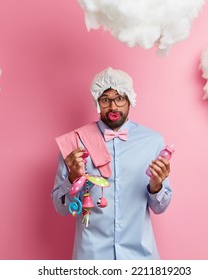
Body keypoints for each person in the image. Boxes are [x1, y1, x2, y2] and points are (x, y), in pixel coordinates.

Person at [51, 67, 173, 259]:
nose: (114, 107)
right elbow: (61, 208)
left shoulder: (152, 141)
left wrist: (156, 186)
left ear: (130, 100)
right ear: (97, 102)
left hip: (140, 257)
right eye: (106, 99)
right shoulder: (75, 142)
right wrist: (73, 179)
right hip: (91, 256)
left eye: (120, 98)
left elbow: (160, 207)